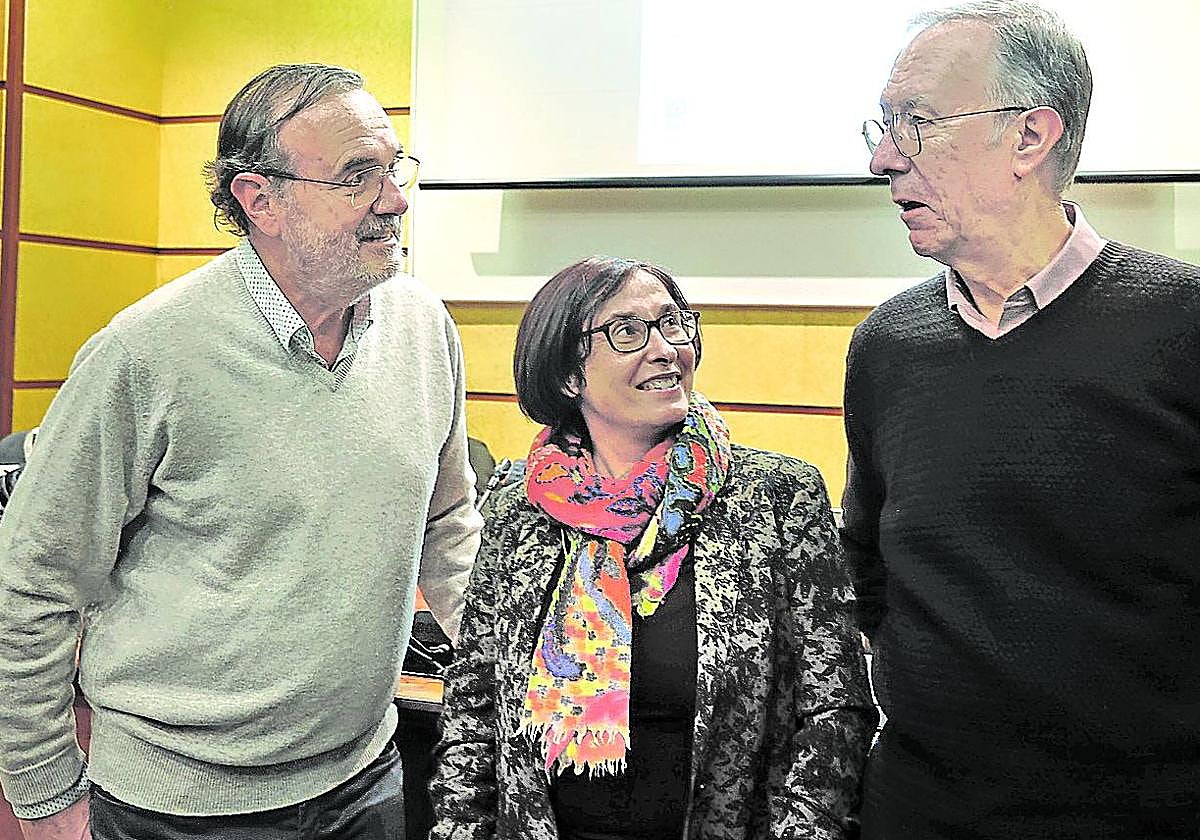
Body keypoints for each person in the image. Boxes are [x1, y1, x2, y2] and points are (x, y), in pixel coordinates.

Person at [0, 63, 482, 839]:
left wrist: (514, 667)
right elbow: (33, 581)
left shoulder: (424, 329)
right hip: (179, 810)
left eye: (393, 167)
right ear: (261, 200)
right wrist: (44, 792)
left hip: (367, 781)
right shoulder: (143, 354)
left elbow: (449, 519)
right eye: (358, 176)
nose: (394, 198)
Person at [844, 3, 1200, 837]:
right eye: (884, 125)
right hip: (919, 812)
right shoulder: (887, 347)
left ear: (1031, 137)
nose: (881, 157)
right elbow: (867, 568)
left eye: (917, 124)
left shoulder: (1182, 325)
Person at [430, 256, 877, 840]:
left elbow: (832, 711)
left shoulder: (777, 498)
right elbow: (474, 715)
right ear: (569, 375)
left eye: (674, 323)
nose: (665, 347)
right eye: (627, 332)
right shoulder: (518, 504)